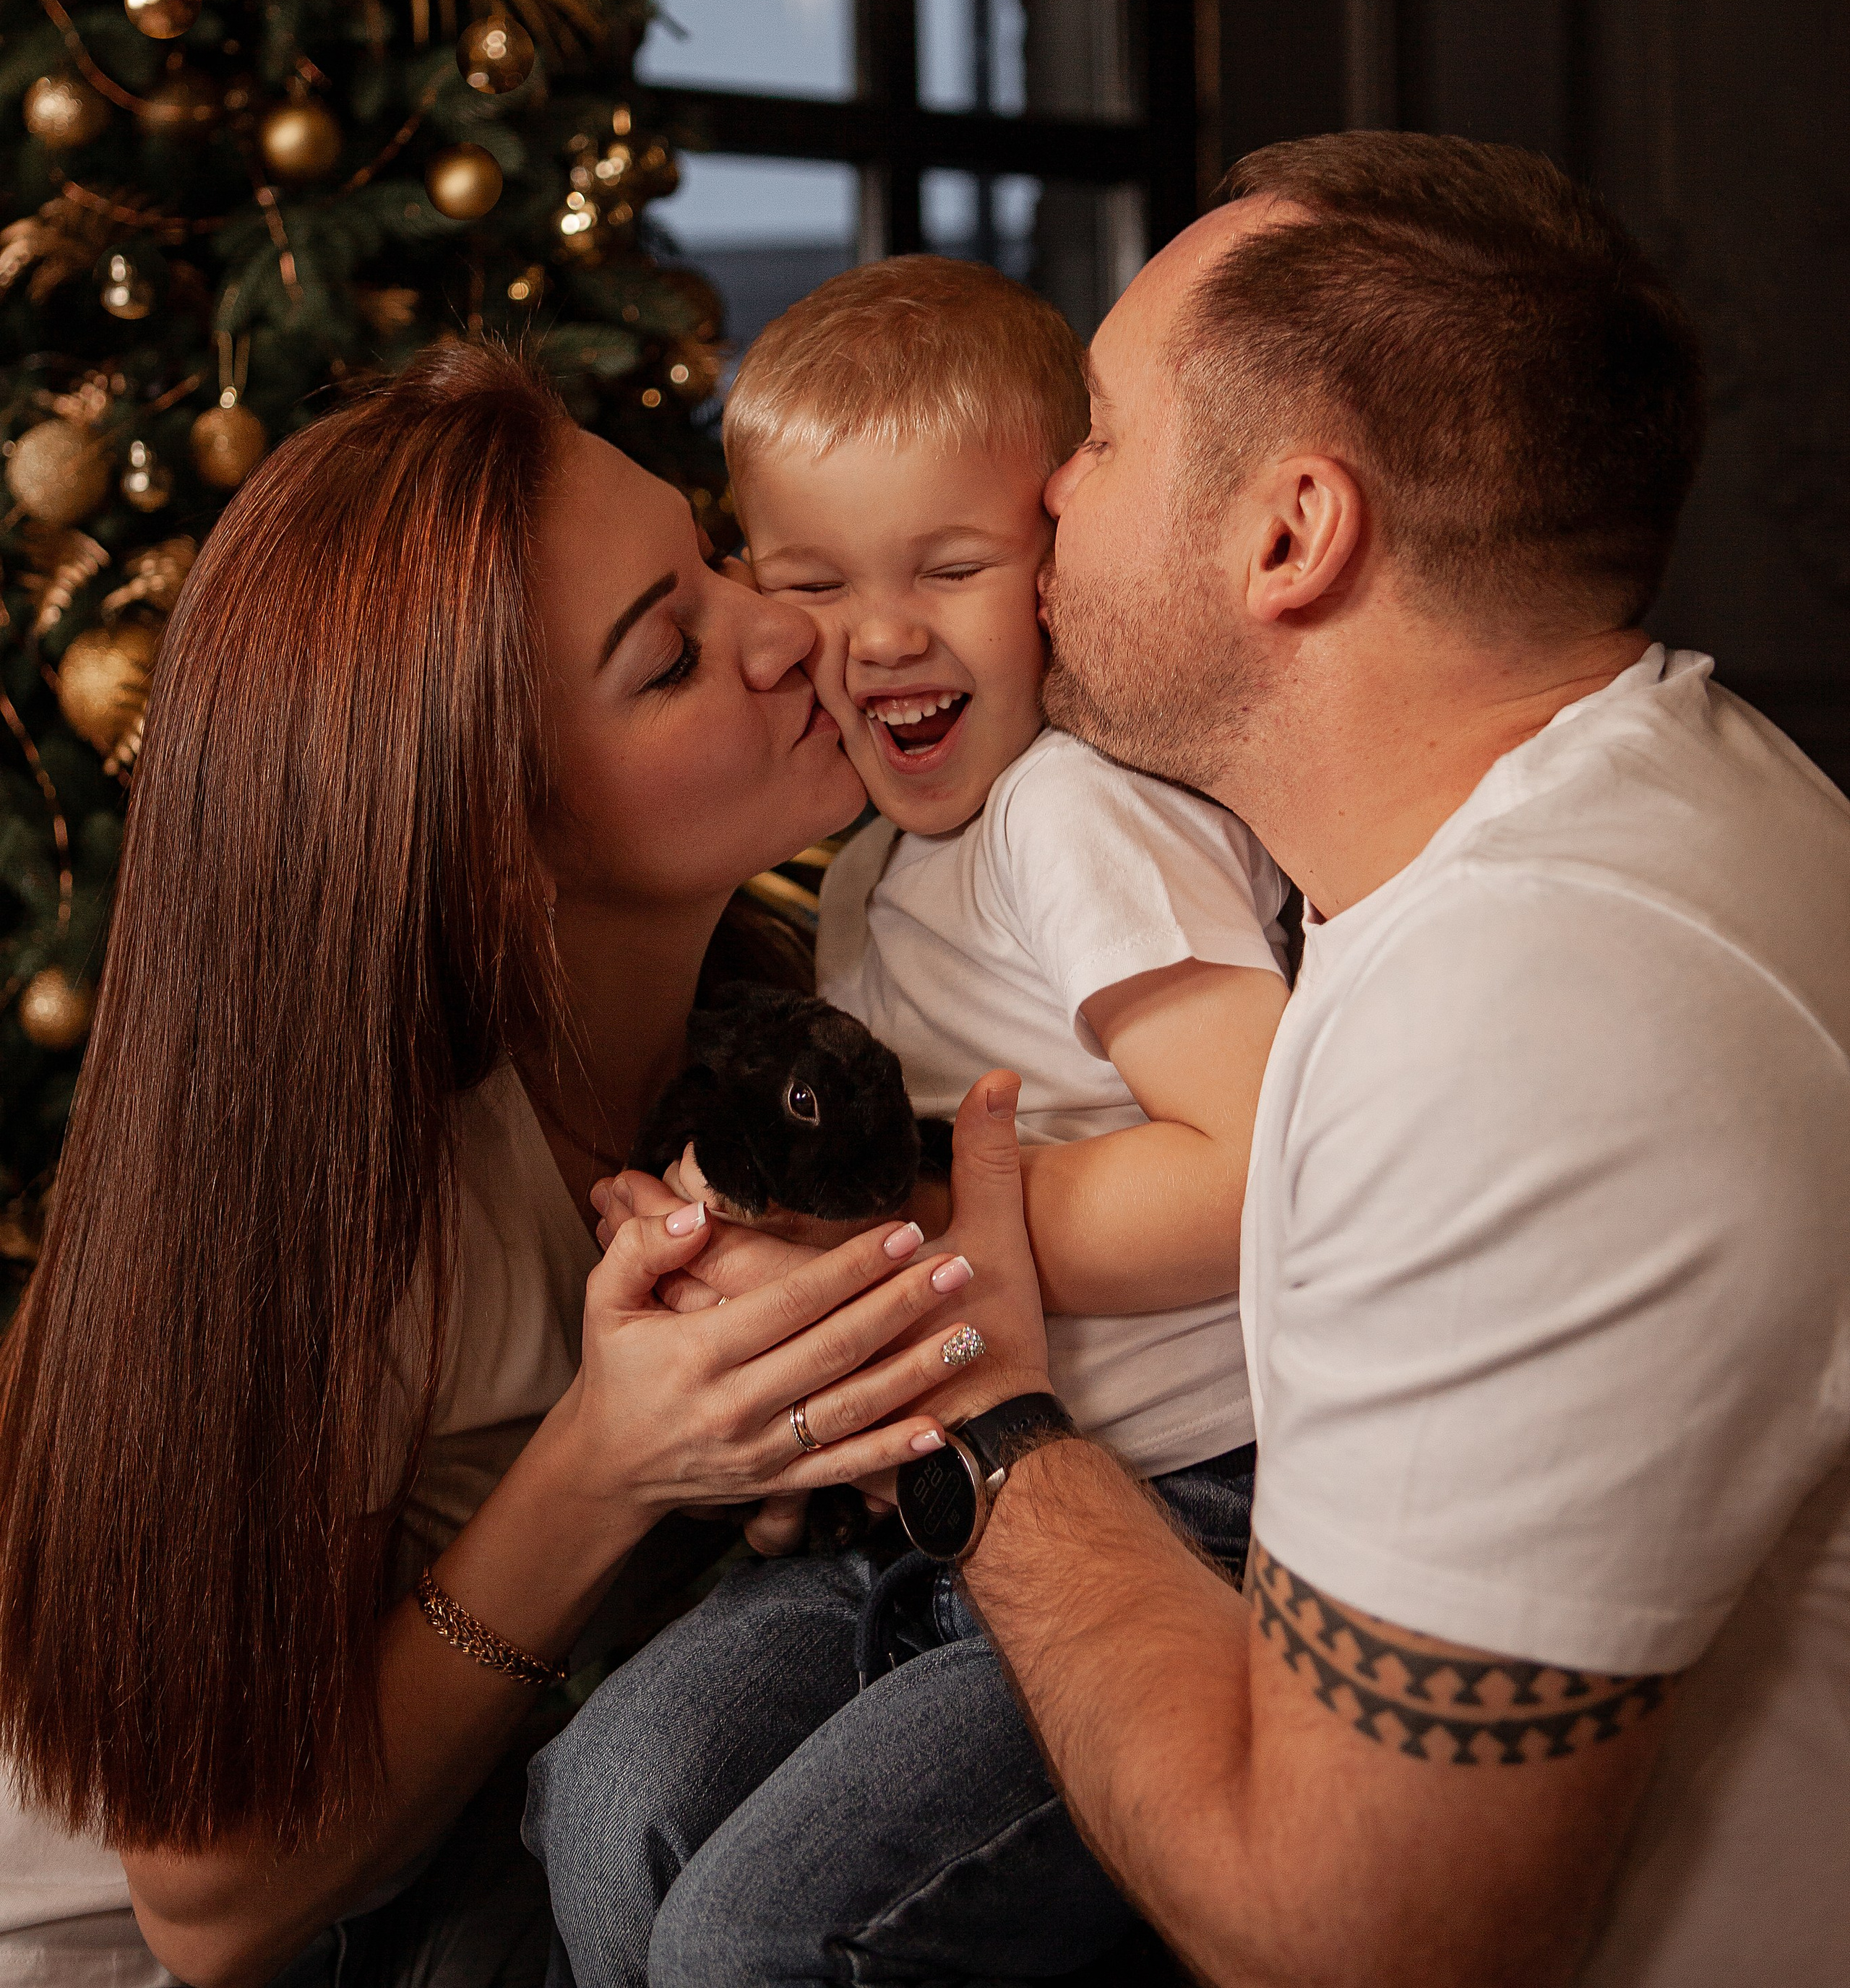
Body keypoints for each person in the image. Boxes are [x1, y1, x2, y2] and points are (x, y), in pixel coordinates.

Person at [934, 131, 1850, 1988]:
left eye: (1099, 430)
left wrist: (984, 1430)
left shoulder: (1528, 1013)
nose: (1042, 483)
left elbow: (1340, 1942)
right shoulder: (1644, 809)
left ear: (1288, 533)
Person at [0, 342, 1002, 1988]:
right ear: (488, 835)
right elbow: (209, 1906)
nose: (783, 629)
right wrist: (608, 1468)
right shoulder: (345, 1206)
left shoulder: (787, 1009)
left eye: (710, 556)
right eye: (672, 654)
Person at [526, 257, 1291, 1987]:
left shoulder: (1069, 816)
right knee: (600, 1798)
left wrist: (909, 1241)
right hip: (913, 1503)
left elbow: (1264, 1168)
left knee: (756, 1934)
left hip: (1172, 1517)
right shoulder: (869, 864)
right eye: (808, 579)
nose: (876, 634)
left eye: (948, 567)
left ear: (1056, 564)